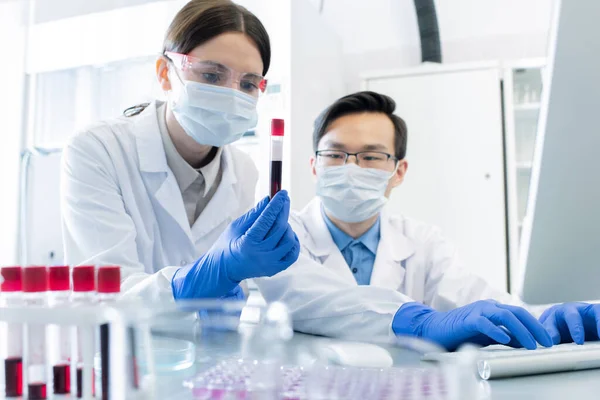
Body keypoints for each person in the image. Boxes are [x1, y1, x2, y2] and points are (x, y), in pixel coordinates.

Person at [255, 91, 600, 350]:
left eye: (371, 156)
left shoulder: (422, 242)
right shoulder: (285, 236)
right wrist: (419, 321)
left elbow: (480, 302)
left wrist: (545, 320)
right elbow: (303, 295)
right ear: (314, 165)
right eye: (335, 154)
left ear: (399, 171)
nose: (350, 167)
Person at [61, 0, 299, 301]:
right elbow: (109, 290)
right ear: (164, 73)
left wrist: (232, 287)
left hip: (208, 347)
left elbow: (234, 288)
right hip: (117, 346)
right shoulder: (98, 150)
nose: (231, 95)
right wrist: (204, 277)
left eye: (249, 84)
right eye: (211, 76)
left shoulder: (243, 169)